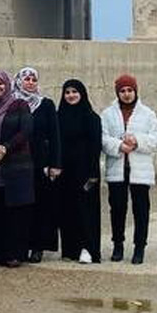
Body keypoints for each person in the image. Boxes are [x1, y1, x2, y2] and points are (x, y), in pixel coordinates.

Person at [100, 73, 157, 264]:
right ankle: (118, 244)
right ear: (117, 93)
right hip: (117, 168)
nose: (126, 94)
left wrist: (137, 141)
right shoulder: (108, 114)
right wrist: (119, 145)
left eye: (130, 90)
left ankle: (139, 247)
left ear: (135, 91)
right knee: (117, 208)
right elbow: (102, 138)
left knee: (141, 209)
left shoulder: (147, 114)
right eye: (122, 91)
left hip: (140, 169)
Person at [0, 71, 35, 269]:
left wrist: (5, 148)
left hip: (16, 165)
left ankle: (15, 254)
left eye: (0, 83)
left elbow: (26, 130)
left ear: (7, 84)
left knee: (15, 211)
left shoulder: (19, 104)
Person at [53, 79, 103, 262]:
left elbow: (95, 148)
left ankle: (88, 248)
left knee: (86, 209)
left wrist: (93, 175)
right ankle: (70, 249)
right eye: (67, 92)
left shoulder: (91, 117)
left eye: (74, 92)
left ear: (82, 94)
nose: (71, 95)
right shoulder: (58, 117)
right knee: (67, 209)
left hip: (86, 172)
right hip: (65, 172)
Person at [17, 66, 61, 264]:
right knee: (21, 205)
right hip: (18, 162)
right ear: (19, 81)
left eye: (34, 80)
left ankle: (37, 247)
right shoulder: (13, 103)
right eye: (26, 79)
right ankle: (20, 246)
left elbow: (55, 135)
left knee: (41, 205)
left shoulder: (46, 104)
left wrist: (55, 163)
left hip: (40, 162)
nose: (30, 83)